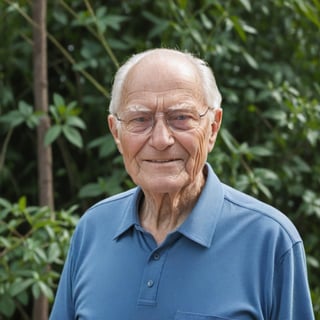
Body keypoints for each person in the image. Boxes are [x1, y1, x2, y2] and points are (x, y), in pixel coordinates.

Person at [49, 48, 314, 320]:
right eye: (140, 119)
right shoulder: (93, 230)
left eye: (181, 118)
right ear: (116, 132)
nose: (161, 139)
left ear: (212, 128)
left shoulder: (269, 240)